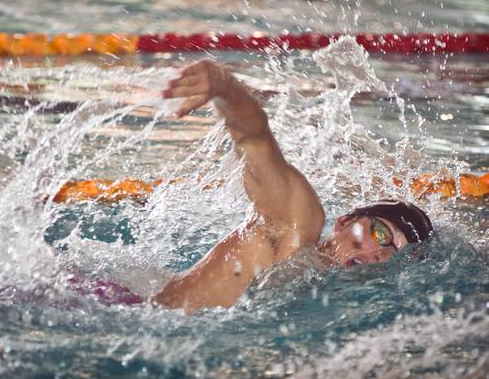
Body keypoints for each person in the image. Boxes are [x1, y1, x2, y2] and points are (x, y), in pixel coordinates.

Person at [150, 60, 433, 314]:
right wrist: (225, 86)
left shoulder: (322, 300)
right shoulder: (297, 227)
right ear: (344, 221)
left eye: (396, 254)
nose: (379, 255)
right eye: (381, 233)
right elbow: (255, 138)